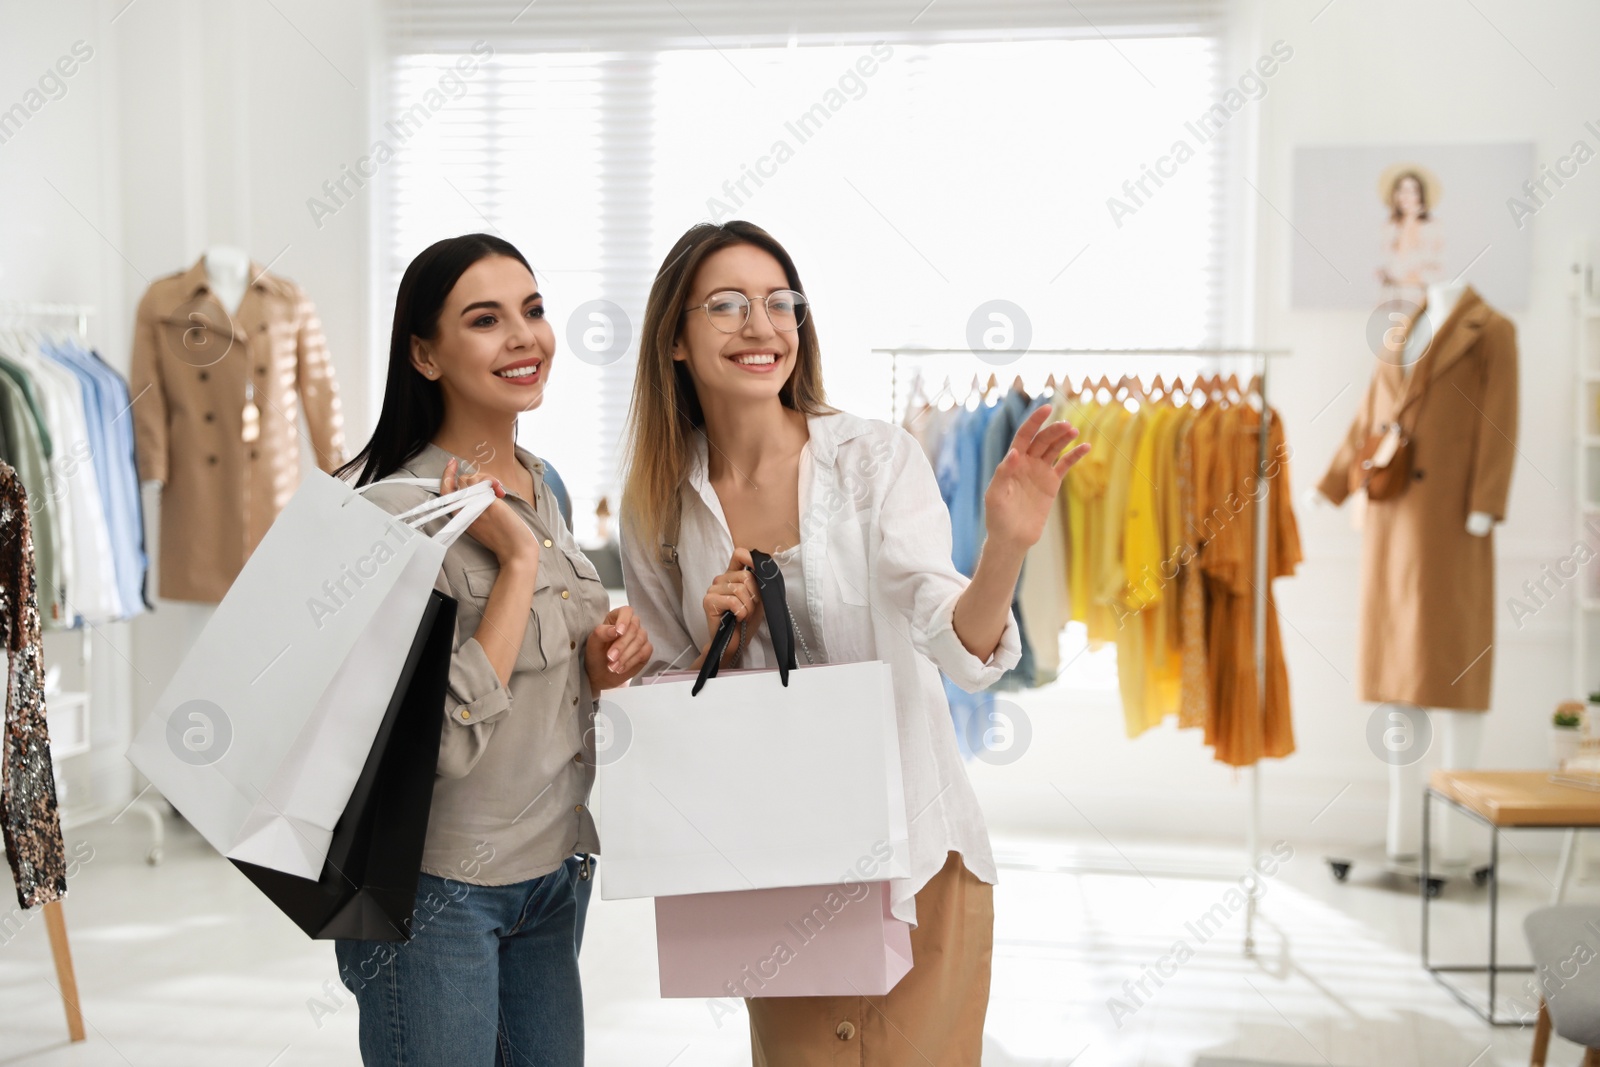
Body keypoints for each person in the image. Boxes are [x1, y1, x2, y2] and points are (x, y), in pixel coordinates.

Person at [617, 219, 1087, 1064]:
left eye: (778, 302)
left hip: (913, 859)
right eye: (726, 306)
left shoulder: (873, 459)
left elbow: (958, 643)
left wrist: (1007, 546)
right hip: (772, 866)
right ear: (676, 340)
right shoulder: (658, 500)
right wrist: (715, 640)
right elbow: (663, 694)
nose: (761, 327)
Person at [334, 233, 653, 1066]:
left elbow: (532, 680)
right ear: (424, 354)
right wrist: (513, 566)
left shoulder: (543, 484)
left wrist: (595, 664)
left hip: (552, 874)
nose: (524, 337)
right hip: (438, 894)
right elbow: (430, 744)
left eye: (534, 310)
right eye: (485, 319)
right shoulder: (392, 516)